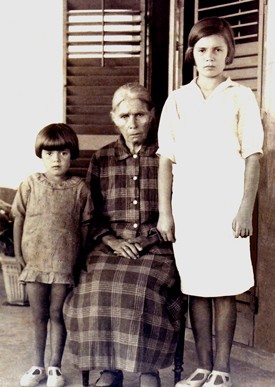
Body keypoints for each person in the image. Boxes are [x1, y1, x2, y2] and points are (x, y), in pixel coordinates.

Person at [157, 17, 264, 387]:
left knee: (224, 289)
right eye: (202, 50)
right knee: (197, 289)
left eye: (218, 49)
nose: (210, 57)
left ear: (229, 53)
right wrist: (166, 213)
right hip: (189, 210)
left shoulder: (241, 97)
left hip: (227, 210)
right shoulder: (178, 100)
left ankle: (222, 369)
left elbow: (253, 156)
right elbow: (166, 160)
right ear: (191, 55)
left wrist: (244, 209)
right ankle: (202, 366)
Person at [63, 83, 185, 387]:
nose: (133, 123)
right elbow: (92, 214)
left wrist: (150, 238)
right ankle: (109, 370)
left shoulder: (168, 156)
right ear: (114, 118)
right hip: (110, 246)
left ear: (152, 115)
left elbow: (182, 207)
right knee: (95, 290)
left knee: (142, 290)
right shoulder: (102, 159)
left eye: (140, 115)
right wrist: (112, 240)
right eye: (125, 115)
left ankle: (148, 370)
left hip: (157, 246)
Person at [12, 123, 93, 387]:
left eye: (63, 153)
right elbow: (19, 219)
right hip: (35, 260)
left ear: (72, 154)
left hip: (63, 263)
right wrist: (18, 254)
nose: (56, 159)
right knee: (38, 316)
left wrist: (78, 260)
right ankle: (37, 365)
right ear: (41, 154)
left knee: (58, 314)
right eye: (49, 153)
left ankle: (55, 365)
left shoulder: (79, 188)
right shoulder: (31, 184)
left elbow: (84, 227)